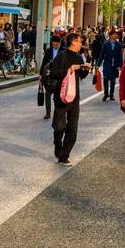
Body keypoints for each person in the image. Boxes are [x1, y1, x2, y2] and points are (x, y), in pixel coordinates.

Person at [46, 32, 92, 164]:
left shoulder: (79, 58)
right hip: (61, 96)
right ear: (73, 42)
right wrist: (69, 69)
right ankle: (57, 142)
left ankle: (64, 155)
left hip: (74, 97)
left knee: (73, 129)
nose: (81, 44)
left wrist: (85, 69)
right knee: (60, 127)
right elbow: (53, 73)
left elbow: (82, 76)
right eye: (79, 41)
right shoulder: (61, 57)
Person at [100, 30, 123, 102]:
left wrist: (120, 65)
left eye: (116, 34)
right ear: (110, 35)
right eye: (113, 34)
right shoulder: (105, 44)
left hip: (115, 65)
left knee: (113, 80)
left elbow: (120, 56)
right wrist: (97, 65)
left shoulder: (119, 44)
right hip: (107, 64)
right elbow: (101, 55)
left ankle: (112, 94)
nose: (115, 36)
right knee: (105, 79)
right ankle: (106, 94)